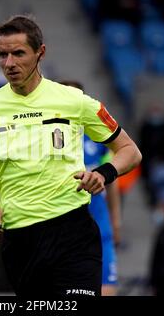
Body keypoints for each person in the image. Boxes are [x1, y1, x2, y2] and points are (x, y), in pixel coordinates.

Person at [0, 15, 142, 296]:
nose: (9, 64)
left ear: (40, 52)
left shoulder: (75, 101)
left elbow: (130, 151)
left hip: (73, 231)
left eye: (18, 53)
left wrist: (103, 175)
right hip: (20, 240)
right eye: (2, 54)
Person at [59, 80, 121, 296]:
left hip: (100, 228)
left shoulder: (99, 138)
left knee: (107, 291)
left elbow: (113, 183)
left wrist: (116, 221)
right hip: (61, 235)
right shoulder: (47, 140)